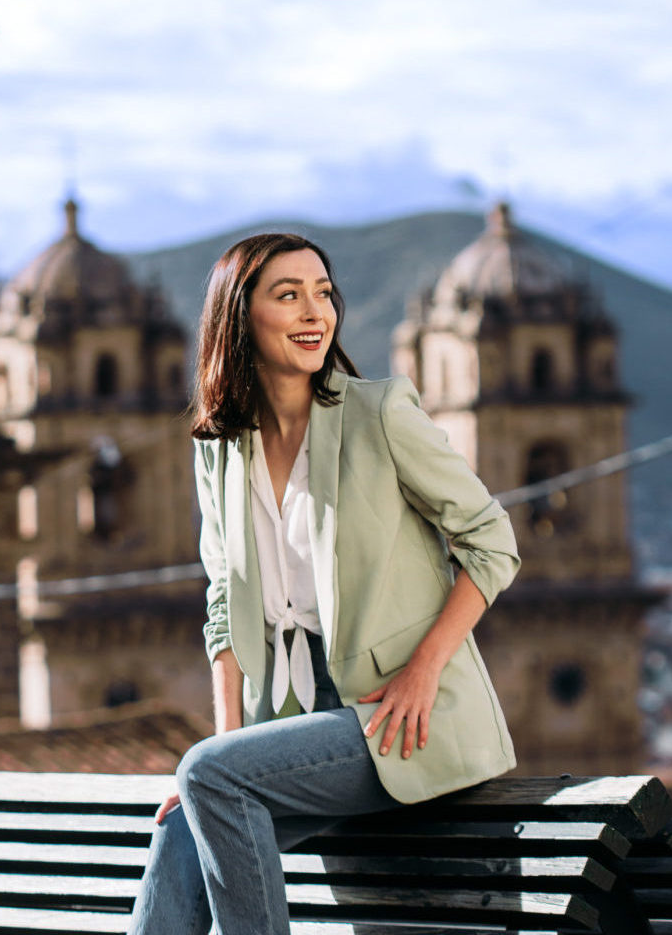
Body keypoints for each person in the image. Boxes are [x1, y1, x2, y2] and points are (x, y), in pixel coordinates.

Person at [129, 233, 520, 935]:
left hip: (394, 721)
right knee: (183, 826)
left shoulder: (378, 414)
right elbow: (222, 605)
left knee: (208, 778)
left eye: (323, 292)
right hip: (290, 726)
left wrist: (422, 673)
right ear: (239, 316)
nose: (316, 312)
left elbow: (492, 542)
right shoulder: (219, 448)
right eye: (288, 295)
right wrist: (223, 752)